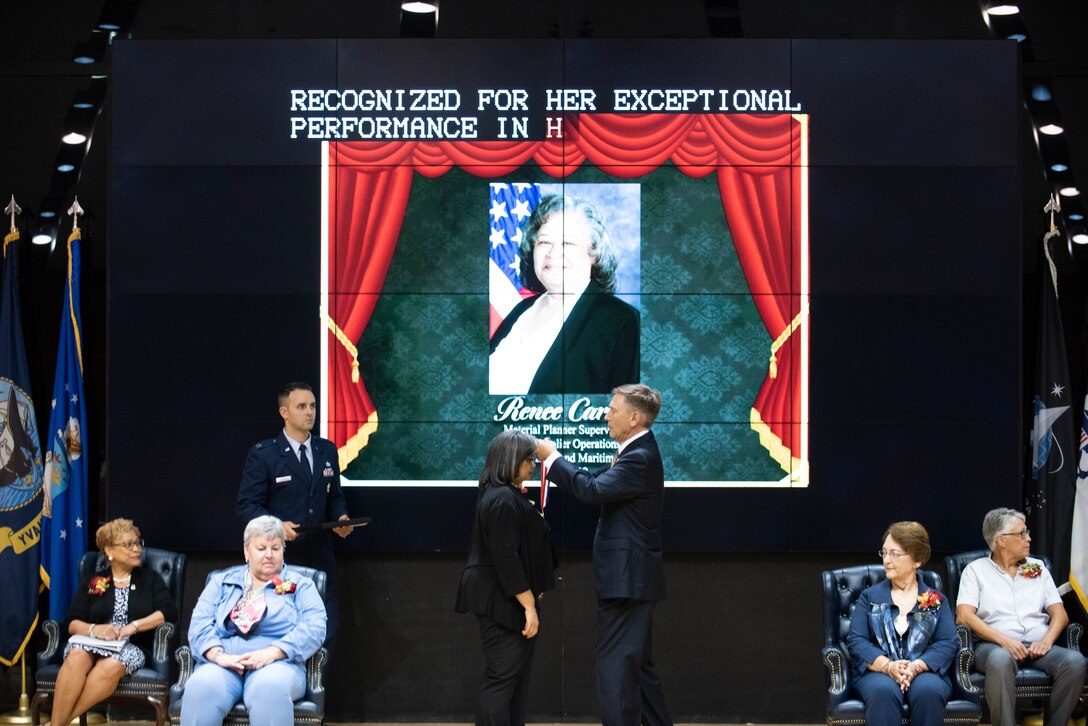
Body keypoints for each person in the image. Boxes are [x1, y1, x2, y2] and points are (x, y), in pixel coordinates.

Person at [536, 383, 670, 726]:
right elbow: (597, 484)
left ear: (635, 417)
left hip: (628, 582)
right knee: (637, 668)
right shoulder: (637, 451)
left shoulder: (638, 458)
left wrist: (551, 458)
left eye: (613, 409)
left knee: (617, 671)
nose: (606, 415)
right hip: (632, 580)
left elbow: (592, 490)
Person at [180, 515, 327, 726]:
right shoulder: (222, 582)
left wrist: (273, 652)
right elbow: (199, 624)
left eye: (275, 548)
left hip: (278, 664)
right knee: (201, 687)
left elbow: (315, 627)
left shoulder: (301, 585)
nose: (269, 555)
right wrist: (218, 655)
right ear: (246, 551)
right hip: (224, 663)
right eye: (261, 548)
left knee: (269, 689)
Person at [236, 381, 352, 644]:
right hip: (281, 561)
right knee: (283, 631)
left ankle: (319, 685)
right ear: (284, 412)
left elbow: (335, 497)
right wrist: (276, 525)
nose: (309, 412)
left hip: (322, 557)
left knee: (326, 632)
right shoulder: (264, 454)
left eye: (312, 406)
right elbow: (246, 506)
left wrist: (342, 518)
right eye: (301, 406)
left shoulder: (327, 450)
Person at [456, 429, 558, 726]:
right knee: (502, 682)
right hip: (503, 603)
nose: (533, 463)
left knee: (513, 683)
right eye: (529, 458)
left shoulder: (504, 494)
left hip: (508, 599)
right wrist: (528, 605)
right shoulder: (501, 498)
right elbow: (506, 558)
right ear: (511, 460)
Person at [489, 194, 639, 395]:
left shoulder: (623, 322)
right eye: (544, 242)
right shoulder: (521, 309)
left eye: (567, 243)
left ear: (593, 254)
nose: (552, 253)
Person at [955, 507, 1086, 726]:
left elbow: (1060, 614)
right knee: (1000, 660)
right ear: (1001, 540)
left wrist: (1047, 641)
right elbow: (964, 617)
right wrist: (1004, 640)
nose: (1029, 538)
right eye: (1022, 533)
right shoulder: (975, 571)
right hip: (994, 646)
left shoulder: (1038, 567)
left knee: (1075, 662)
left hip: (1039, 646)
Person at [47, 518, 177, 726]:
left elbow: (169, 612)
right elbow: (72, 622)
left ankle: (57, 724)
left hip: (131, 646)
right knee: (77, 655)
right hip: (92, 643)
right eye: (129, 544)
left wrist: (133, 627)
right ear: (109, 551)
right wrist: (95, 629)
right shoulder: (93, 581)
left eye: (138, 543)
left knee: (112, 665)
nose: (136, 549)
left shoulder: (149, 579)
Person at [846, 522, 957, 726]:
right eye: (885, 553)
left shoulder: (935, 599)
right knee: (883, 691)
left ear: (917, 560)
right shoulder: (869, 597)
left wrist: (915, 667)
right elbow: (856, 641)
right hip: (878, 672)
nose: (887, 560)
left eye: (895, 554)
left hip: (923, 670)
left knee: (929, 691)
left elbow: (948, 642)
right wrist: (889, 666)